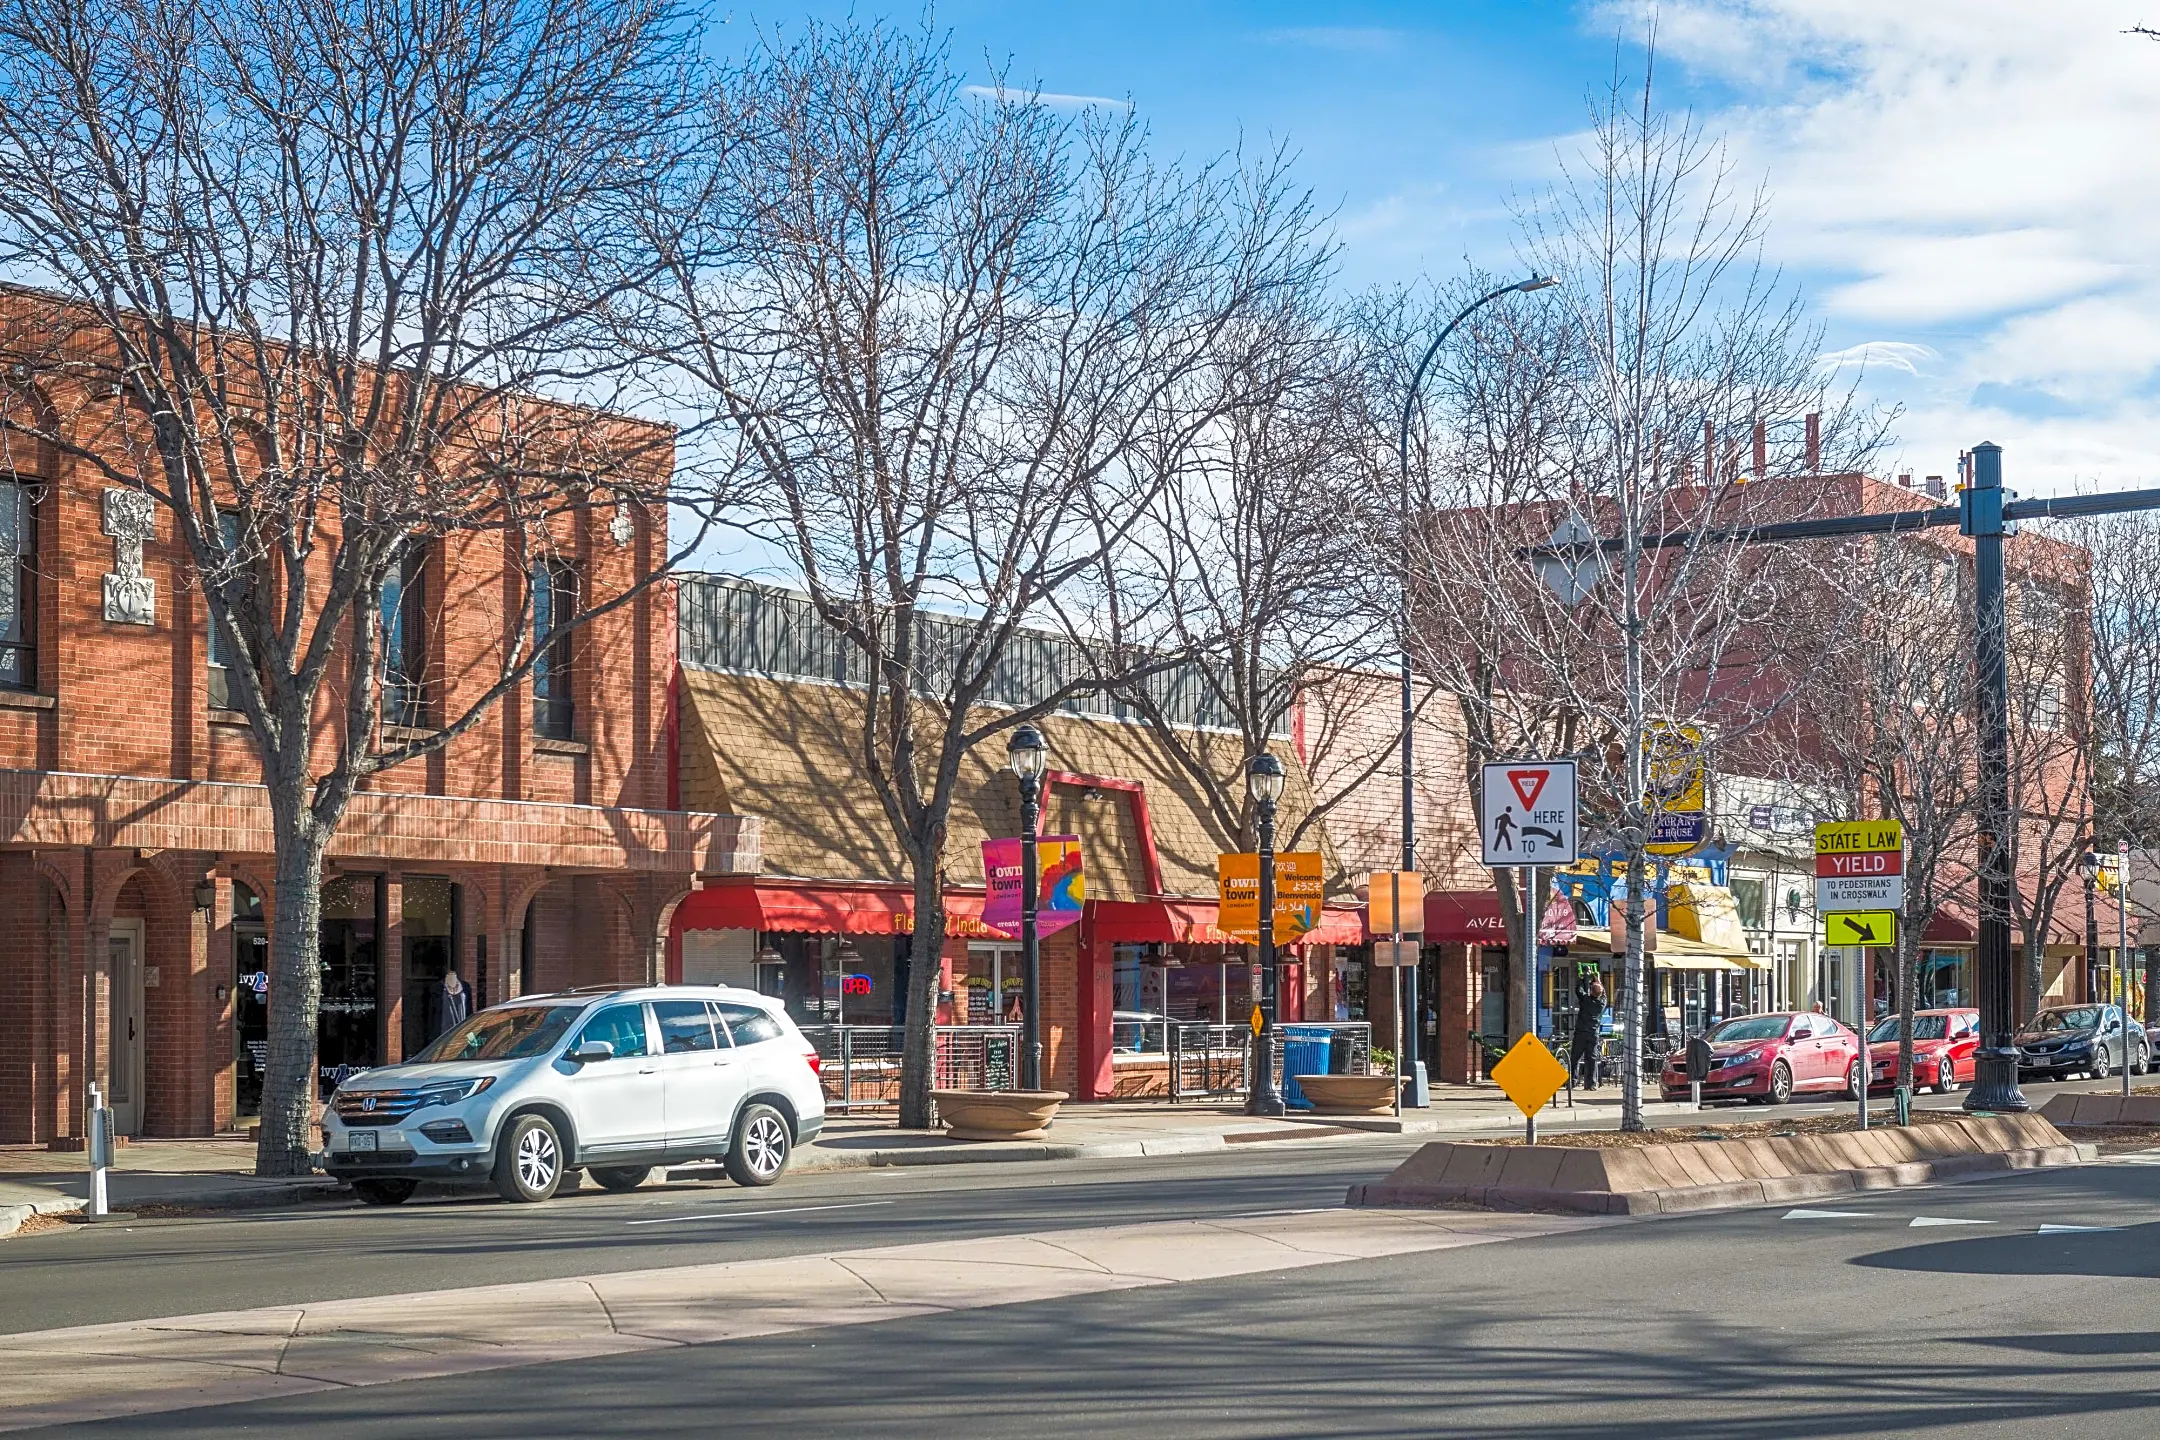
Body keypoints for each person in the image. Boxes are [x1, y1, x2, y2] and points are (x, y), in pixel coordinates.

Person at [1571, 975, 1606, 1090]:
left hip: (1581, 1033)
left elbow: (1578, 990)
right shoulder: (1601, 1004)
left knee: (1575, 1058)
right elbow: (1604, 994)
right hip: (1593, 1034)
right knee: (1591, 1059)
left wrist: (1582, 978)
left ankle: (1573, 1081)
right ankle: (1591, 1084)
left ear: (1591, 991)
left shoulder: (1585, 1000)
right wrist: (1598, 981)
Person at [431, 960, 470, 1043]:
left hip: (462, 1029)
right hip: (443, 1031)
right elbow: (432, 1014)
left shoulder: (466, 987)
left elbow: (469, 1009)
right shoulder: (437, 988)